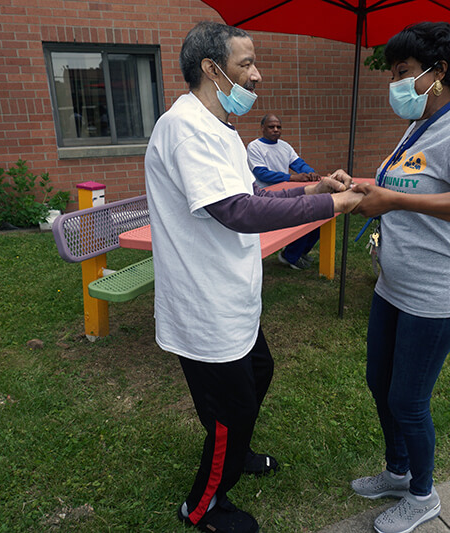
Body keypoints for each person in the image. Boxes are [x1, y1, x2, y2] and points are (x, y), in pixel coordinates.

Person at [143, 21, 362, 533]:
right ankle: (203, 505)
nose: (257, 75)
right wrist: (332, 205)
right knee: (231, 408)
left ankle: (233, 451)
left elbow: (256, 197)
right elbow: (236, 212)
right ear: (211, 69)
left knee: (257, 375)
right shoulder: (184, 128)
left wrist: (311, 191)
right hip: (205, 305)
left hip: (232, 297)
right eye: (246, 64)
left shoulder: (221, 129)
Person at [342, 22, 450, 533]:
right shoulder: (420, 127)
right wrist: (363, 186)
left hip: (437, 296)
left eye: (403, 73)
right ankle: (398, 470)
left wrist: (394, 199)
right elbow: (408, 185)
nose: (395, 84)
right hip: (395, 287)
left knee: (407, 401)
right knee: (378, 381)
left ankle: (423, 494)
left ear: (438, 73)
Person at [247, 114, 322, 269]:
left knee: (317, 217)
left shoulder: (285, 146)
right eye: (271, 127)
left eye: (278, 127)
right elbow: (262, 173)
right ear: (262, 128)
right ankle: (291, 257)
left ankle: (297, 252)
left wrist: (310, 173)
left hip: (287, 193)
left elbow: (299, 164)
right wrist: (292, 178)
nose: (276, 130)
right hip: (265, 196)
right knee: (304, 217)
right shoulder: (254, 147)